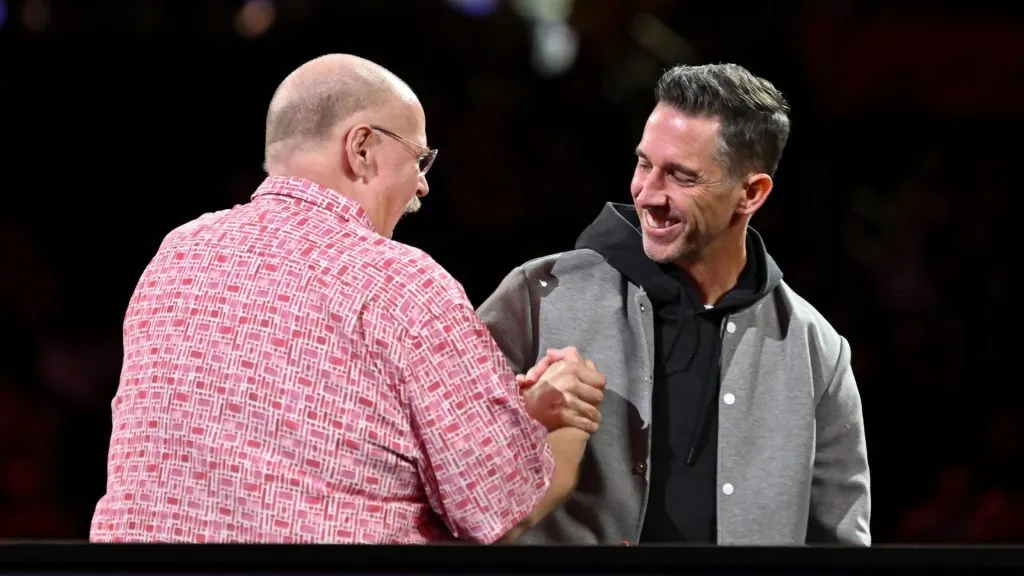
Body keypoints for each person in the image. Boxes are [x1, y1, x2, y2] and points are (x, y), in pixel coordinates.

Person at [90, 54, 607, 544]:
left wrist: (513, 417)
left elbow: (292, 439)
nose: (423, 186)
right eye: (419, 158)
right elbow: (502, 507)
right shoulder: (403, 284)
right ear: (361, 147)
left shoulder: (176, 256)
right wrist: (563, 416)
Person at [478, 63, 871, 545]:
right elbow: (448, 468)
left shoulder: (816, 350)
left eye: (681, 177)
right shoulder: (538, 295)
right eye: (644, 163)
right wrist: (527, 416)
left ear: (751, 193)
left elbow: (840, 540)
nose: (647, 193)